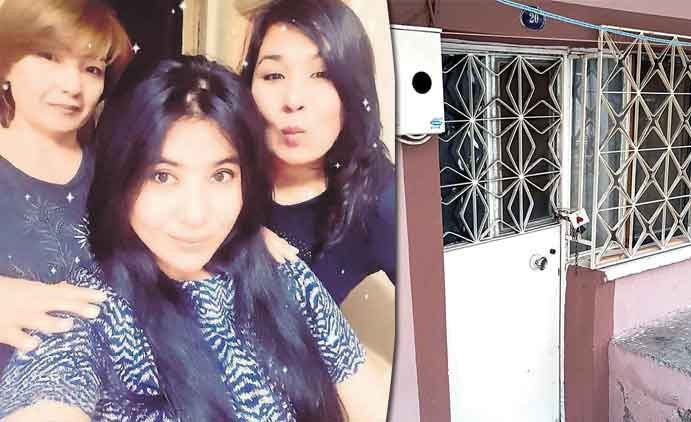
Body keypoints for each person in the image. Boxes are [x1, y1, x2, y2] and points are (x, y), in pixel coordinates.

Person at [0, 56, 378, 421]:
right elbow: (49, 394)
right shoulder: (90, 313)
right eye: (163, 176)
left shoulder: (284, 275)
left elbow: (372, 397)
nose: (196, 216)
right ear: (122, 177)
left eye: (221, 176)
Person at [0, 0, 131, 367]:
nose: (72, 85)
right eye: (49, 57)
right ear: (5, 65)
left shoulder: (116, 171)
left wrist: (246, 234)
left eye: (92, 68)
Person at [240, 0, 397, 305]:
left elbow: (437, 304)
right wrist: (239, 237)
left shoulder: (378, 199)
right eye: (273, 75)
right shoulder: (221, 161)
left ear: (353, 91)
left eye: (322, 74)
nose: (293, 100)